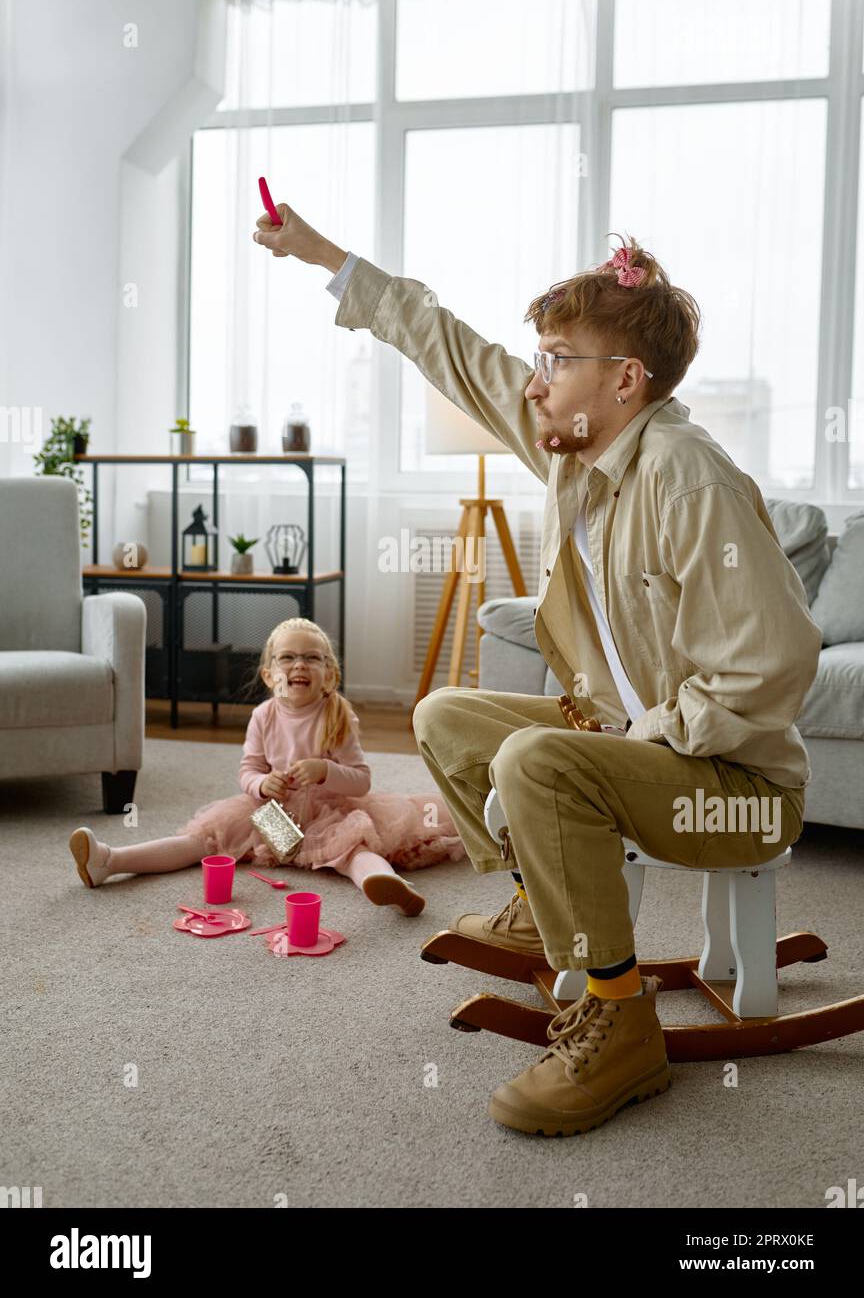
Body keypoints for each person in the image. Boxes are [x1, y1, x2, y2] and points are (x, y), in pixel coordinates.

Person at [252, 207, 822, 1137]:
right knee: (445, 715)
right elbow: (452, 349)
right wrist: (322, 255)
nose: (535, 381)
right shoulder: (580, 451)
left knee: (536, 763)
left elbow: (778, 660)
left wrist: (644, 735)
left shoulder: (686, 478)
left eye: (558, 361)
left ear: (625, 381)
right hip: (649, 754)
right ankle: (539, 901)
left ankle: (619, 1014)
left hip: (740, 789)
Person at [69, 618, 465, 914]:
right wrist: (262, 785)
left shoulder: (337, 714)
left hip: (331, 813)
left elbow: (361, 781)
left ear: (330, 674)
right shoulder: (262, 715)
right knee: (206, 840)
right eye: (288, 657)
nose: (299, 666)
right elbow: (247, 770)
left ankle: (385, 883)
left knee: (352, 848)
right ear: (268, 673)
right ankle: (111, 860)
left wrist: (325, 771)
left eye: (312, 658)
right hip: (273, 816)